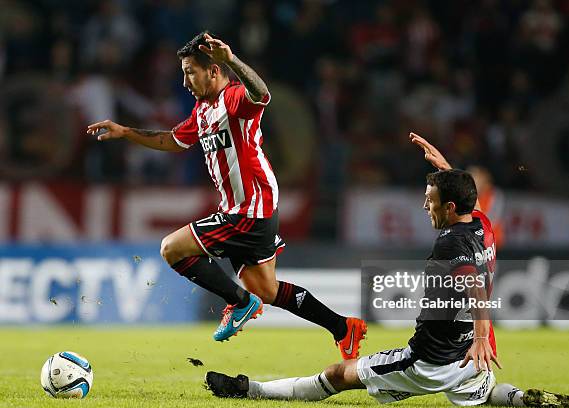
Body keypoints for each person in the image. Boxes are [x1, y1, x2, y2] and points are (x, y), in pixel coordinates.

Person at [204, 132, 569, 408]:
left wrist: (483, 333)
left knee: (338, 375)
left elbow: (472, 283)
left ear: (450, 207)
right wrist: (446, 169)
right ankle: (520, 398)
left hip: (429, 359)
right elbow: (465, 207)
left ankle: (250, 389)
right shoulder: (481, 224)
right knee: (481, 393)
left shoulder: (450, 242)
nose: (425, 207)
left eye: (431, 200)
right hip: (466, 358)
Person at [86, 32, 366, 359]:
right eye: (183, 73)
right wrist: (126, 132)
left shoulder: (233, 97)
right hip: (252, 208)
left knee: (172, 248)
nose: (185, 81)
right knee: (266, 289)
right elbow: (173, 141)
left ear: (214, 71)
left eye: (191, 72)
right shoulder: (202, 110)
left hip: (249, 207)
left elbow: (262, 94)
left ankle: (239, 303)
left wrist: (231, 59)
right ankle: (343, 327)